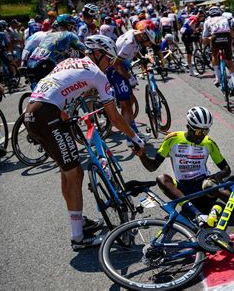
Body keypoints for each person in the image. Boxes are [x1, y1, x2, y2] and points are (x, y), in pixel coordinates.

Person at [23, 35, 145, 250]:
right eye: (108, 58)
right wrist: (136, 138)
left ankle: (78, 223)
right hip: (47, 115)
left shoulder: (68, 62)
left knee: (66, 172)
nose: (109, 64)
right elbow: (115, 118)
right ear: (97, 54)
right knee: (75, 173)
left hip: (33, 113)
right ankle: (78, 238)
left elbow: (55, 87)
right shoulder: (98, 74)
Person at [134, 106, 231, 218]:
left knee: (210, 184)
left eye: (205, 131)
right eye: (198, 131)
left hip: (205, 187)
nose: (201, 136)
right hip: (184, 191)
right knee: (162, 178)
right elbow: (152, 167)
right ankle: (195, 212)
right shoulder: (172, 139)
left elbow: (226, 169)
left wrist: (217, 176)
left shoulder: (208, 143)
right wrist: (142, 155)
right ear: (188, 127)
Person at [110, 22, 156, 145]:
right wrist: (129, 77)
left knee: (129, 103)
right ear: (144, 37)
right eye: (148, 42)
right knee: (126, 105)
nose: (148, 45)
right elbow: (116, 64)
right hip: (114, 70)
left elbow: (135, 50)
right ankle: (131, 139)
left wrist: (141, 58)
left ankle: (133, 132)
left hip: (121, 66)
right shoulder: (129, 43)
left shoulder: (135, 35)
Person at [26, 14, 85, 90]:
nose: (73, 27)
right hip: (45, 65)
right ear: (68, 25)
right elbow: (84, 49)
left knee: (40, 93)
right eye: (72, 24)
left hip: (31, 64)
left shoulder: (49, 35)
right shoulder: (70, 35)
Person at [203, 6, 234, 96]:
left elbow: (204, 37)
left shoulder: (208, 21)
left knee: (214, 55)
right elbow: (231, 31)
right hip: (227, 36)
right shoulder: (225, 18)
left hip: (215, 37)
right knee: (229, 60)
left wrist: (207, 42)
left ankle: (217, 78)